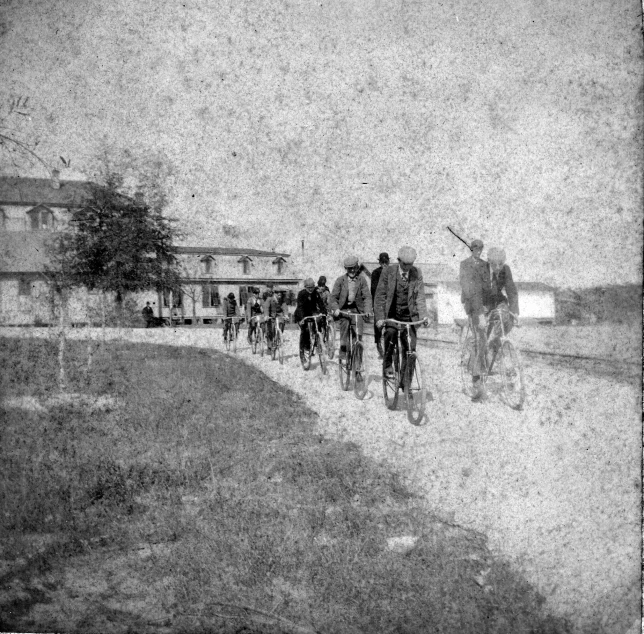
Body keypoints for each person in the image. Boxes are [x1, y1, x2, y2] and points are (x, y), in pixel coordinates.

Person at [374, 246, 428, 382]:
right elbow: (380, 296)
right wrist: (380, 318)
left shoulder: (416, 273)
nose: (407, 268)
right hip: (392, 315)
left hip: (409, 317)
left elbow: (420, 297)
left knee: (410, 349)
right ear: (398, 261)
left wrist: (424, 316)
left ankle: (406, 383)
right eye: (405, 264)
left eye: (411, 264)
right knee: (390, 334)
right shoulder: (388, 272)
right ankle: (387, 365)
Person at [459, 238, 492, 401]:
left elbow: (487, 287)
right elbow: (468, 289)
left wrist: (488, 306)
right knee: (477, 339)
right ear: (471, 249)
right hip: (473, 307)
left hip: (483, 307)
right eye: (476, 248)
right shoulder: (464, 264)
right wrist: (479, 313)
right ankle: (476, 378)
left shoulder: (485, 265)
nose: (478, 251)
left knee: (486, 339)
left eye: (481, 248)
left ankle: (484, 367)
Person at [329, 255, 373, 360]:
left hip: (357, 311)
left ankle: (358, 365)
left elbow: (367, 296)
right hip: (343, 310)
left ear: (357, 267)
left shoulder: (362, 280)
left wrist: (367, 310)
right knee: (345, 325)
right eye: (349, 268)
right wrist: (336, 309)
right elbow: (333, 298)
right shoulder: (340, 280)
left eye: (354, 268)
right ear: (346, 269)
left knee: (358, 337)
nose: (352, 270)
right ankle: (343, 349)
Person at [485, 247, 520, 357]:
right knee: (482, 330)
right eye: (494, 264)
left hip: (498, 300)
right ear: (489, 261)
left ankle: (495, 345)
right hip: (482, 301)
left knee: (508, 319)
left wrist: (514, 311)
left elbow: (511, 290)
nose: (498, 267)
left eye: (500, 264)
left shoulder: (506, 270)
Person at [295, 277, 327, 363]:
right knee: (304, 331)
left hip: (312, 313)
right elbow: (300, 307)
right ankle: (303, 351)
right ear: (305, 287)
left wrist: (323, 313)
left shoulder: (316, 293)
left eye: (312, 287)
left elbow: (321, 304)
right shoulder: (301, 294)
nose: (311, 289)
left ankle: (318, 340)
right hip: (302, 314)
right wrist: (302, 318)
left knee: (319, 322)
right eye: (309, 288)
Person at [370, 252, 390, 358]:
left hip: (389, 302)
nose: (384, 264)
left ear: (388, 262)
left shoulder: (392, 272)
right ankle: (378, 343)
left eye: (386, 262)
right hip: (379, 301)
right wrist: (375, 304)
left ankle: (389, 345)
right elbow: (373, 289)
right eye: (382, 262)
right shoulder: (375, 273)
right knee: (378, 324)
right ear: (380, 262)